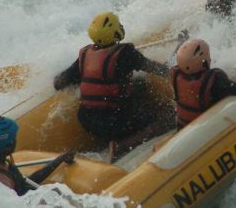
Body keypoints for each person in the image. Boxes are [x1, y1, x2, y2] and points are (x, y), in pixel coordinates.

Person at [53, 11, 170, 161]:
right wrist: (173, 68)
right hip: (114, 121)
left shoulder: (85, 54)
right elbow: (154, 68)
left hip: (86, 120)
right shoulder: (126, 53)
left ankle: (108, 140)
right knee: (165, 119)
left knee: (138, 86)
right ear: (113, 32)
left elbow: (59, 82)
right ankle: (122, 145)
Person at [0, 116, 75, 196]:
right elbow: (26, 185)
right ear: (8, 146)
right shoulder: (4, 182)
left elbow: (24, 182)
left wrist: (59, 159)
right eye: (14, 137)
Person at [170, 38, 236, 129]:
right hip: (202, 129)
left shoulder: (175, 73)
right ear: (202, 60)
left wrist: (181, 43)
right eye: (208, 56)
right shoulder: (215, 80)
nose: (210, 59)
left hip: (183, 126)